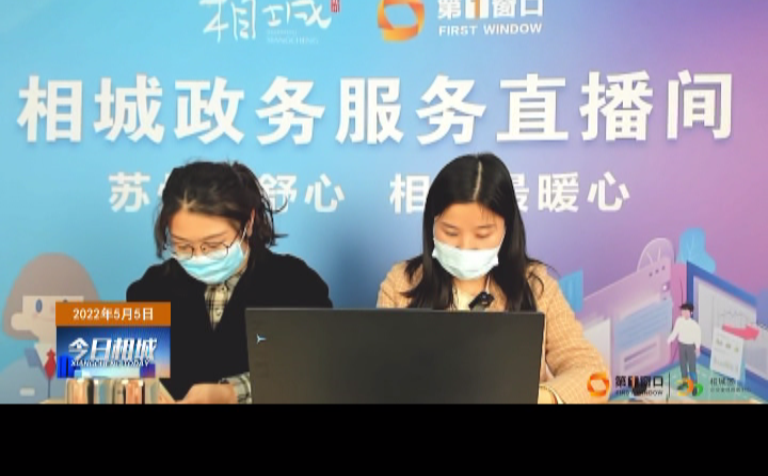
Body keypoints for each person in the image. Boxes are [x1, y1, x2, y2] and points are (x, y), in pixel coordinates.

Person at [377, 153, 609, 404]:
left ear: (506, 229)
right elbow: (379, 379)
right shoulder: (401, 284)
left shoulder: (535, 287)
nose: (465, 246)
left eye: (482, 234)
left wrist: (536, 398)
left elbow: (596, 379)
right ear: (431, 225)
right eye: (450, 232)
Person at [127, 160, 332, 404]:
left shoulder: (296, 284)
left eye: (213, 245)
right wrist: (133, 385)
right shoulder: (151, 288)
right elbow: (129, 373)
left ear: (249, 222)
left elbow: (318, 373)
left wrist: (232, 393)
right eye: (183, 246)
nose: (199, 256)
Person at [0, 253, 100, 403]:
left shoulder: (89, 376)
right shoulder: (11, 377)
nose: (53, 311)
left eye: (65, 304)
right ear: (18, 317)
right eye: (38, 306)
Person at [667, 302, 701, 382]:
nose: (684, 313)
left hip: (690, 347)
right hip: (681, 345)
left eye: (686, 311)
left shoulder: (694, 325)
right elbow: (675, 331)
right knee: (683, 365)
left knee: (692, 366)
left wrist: (697, 348)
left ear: (691, 312)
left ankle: (694, 384)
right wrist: (669, 340)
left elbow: (698, 337)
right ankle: (684, 381)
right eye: (683, 311)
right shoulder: (679, 321)